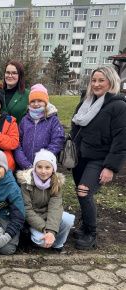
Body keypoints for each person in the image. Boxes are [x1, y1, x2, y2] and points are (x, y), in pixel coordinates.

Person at [69, 66, 126, 250]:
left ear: (111, 82)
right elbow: (76, 127)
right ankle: (84, 226)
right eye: (94, 80)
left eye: (101, 80)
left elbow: (121, 139)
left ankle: (92, 234)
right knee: (81, 193)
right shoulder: (86, 101)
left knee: (84, 191)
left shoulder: (118, 106)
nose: (96, 84)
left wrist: (110, 167)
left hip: (100, 159)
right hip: (81, 157)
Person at [17, 149, 75, 254]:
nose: (43, 171)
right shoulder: (26, 182)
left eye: (47, 167)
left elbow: (55, 207)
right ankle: (31, 235)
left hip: (49, 216)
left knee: (68, 219)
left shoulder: (56, 183)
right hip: (35, 219)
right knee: (41, 241)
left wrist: (51, 231)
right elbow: (27, 209)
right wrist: (44, 228)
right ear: (35, 167)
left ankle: (58, 244)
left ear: (53, 169)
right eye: (39, 167)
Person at [14, 84, 65, 170]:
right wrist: (24, 163)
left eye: (39, 101)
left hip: (44, 168)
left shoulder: (52, 120)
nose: (36, 104)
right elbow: (17, 142)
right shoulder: (25, 120)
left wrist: (43, 161)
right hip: (25, 168)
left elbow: (57, 141)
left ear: (45, 102)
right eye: (33, 101)